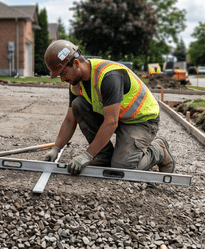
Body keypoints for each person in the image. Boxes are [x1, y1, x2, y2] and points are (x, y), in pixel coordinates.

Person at [43, 40, 175, 176]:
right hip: (118, 118)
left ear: (76, 63)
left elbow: (111, 122)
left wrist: (87, 155)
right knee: (78, 104)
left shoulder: (109, 77)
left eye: (63, 73)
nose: (62, 79)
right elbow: (70, 120)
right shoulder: (76, 84)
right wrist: (56, 148)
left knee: (122, 168)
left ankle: (159, 149)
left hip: (140, 121)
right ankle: (102, 156)